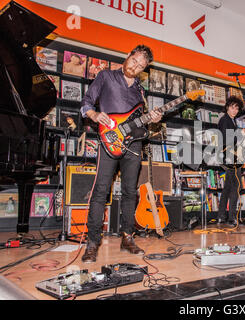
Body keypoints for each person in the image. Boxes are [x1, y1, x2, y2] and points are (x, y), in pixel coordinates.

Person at [79, 45, 162, 263]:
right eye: (134, 61)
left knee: (129, 192)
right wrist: (95, 115)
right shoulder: (106, 76)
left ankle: (127, 237)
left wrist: (152, 120)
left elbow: (140, 123)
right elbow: (87, 101)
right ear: (127, 56)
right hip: (109, 141)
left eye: (141, 66)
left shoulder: (140, 91)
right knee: (100, 191)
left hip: (132, 146)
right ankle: (93, 242)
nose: (135, 67)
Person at [217, 96, 245, 226]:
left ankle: (221, 216)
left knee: (227, 188)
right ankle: (232, 218)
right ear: (227, 107)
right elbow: (227, 139)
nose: (235, 110)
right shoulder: (226, 120)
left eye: (237, 108)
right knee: (236, 187)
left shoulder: (231, 120)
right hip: (230, 158)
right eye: (232, 107)